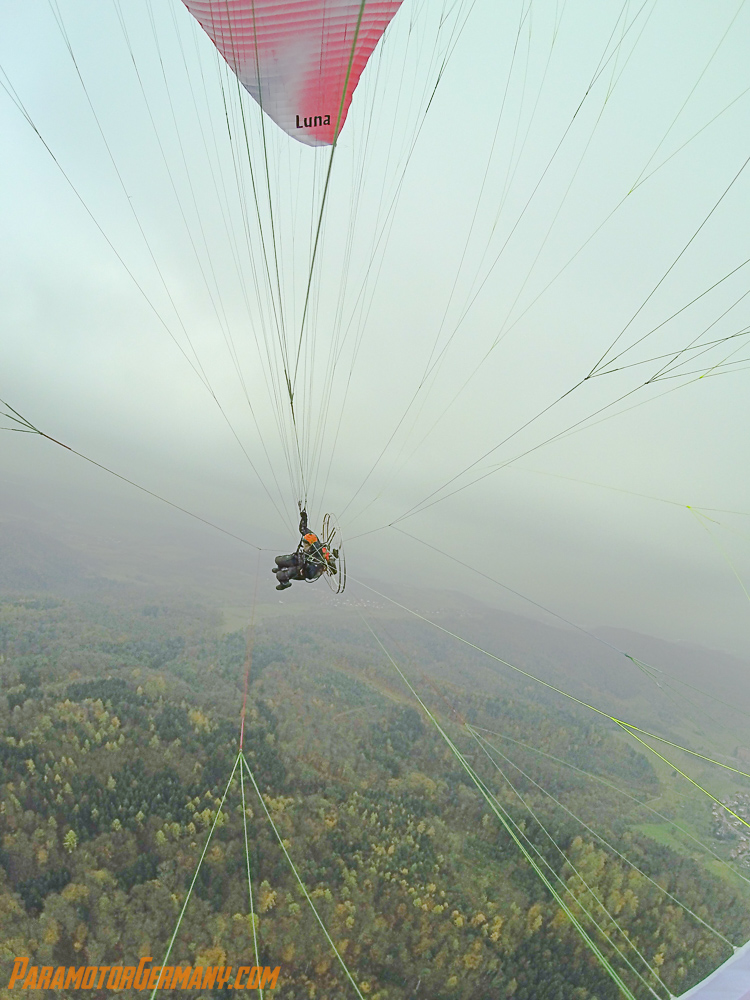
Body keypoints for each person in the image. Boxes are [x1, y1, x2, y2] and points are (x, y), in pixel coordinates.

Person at [272, 509, 337, 591]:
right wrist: (304, 518)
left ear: (311, 545)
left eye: (306, 544)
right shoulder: (311, 537)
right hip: (301, 559)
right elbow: (303, 529)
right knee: (278, 560)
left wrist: (304, 565)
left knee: (280, 575)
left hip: (304, 569)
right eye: (304, 543)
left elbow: (310, 575)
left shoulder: (317, 557)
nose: (304, 546)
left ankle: (285, 583)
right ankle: (281, 567)